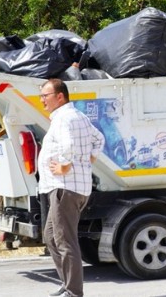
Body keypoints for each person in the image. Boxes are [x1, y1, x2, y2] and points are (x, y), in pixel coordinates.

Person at [38, 78, 105, 297]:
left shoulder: (64, 119)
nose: (42, 100)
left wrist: (66, 165)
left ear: (60, 96)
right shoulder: (78, 117)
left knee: (65, 240)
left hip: (65, 188)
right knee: (50, 237)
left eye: (45, 96)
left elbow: (68, 145)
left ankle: (74, 292)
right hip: (68, 187)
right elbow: (100, 139)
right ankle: (68, 284)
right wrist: (89, 160)